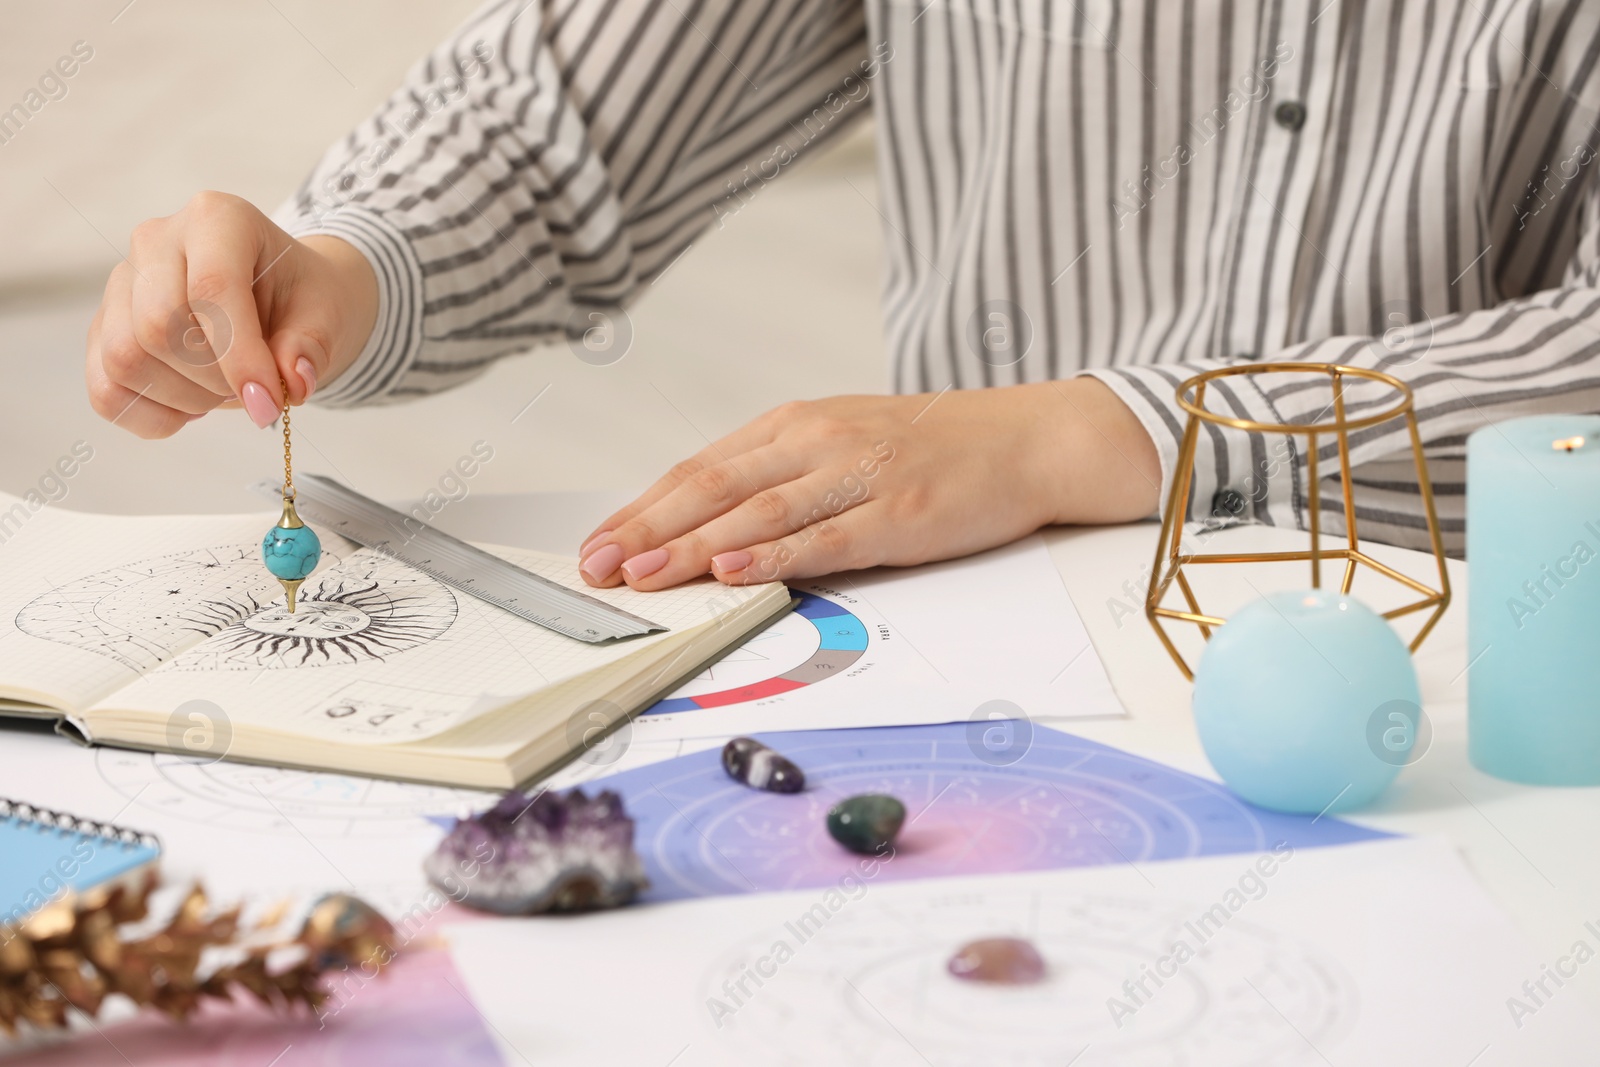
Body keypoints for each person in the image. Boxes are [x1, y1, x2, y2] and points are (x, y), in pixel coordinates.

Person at [86, 0, 1600, 592]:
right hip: (998, 670)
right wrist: (347, 260)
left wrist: (1089, 434)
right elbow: (574, 123)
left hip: (1502, 686)